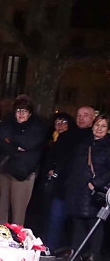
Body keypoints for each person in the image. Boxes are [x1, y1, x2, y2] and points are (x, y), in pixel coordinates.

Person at [61, 114, 110, 261]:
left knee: (95, 223)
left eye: (103, 126)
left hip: (94, 191)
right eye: (97, 125)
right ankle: (76, 253)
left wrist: (96, 183)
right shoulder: (84, 143)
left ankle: (93, 257)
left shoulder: (108, 147)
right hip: (78, 189)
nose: (99, 128)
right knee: (78, 222)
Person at [45, 105, 96, 252]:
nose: (81, 118)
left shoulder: (95, 138)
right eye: (79, 115)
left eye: (85, 115)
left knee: (79, 222)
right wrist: (50, 169)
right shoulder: (66, 136)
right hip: (62, 184)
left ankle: (77, 251)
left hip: (83, 186)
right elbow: (52, 156)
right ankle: (51, 247)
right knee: (56, 217)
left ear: (93, 118)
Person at [0, 95, 46, 226]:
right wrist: (16, 147)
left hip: (23, 173)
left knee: (18, 212)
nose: (21, 114)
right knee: (0, 210)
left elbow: (30, 143)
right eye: (18, 110)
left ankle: (16, 236)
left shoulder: (37, 126)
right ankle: (0, 234)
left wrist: (10, 140)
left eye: (24, 111)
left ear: (30, 113)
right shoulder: (7, 123)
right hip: (4, 169)